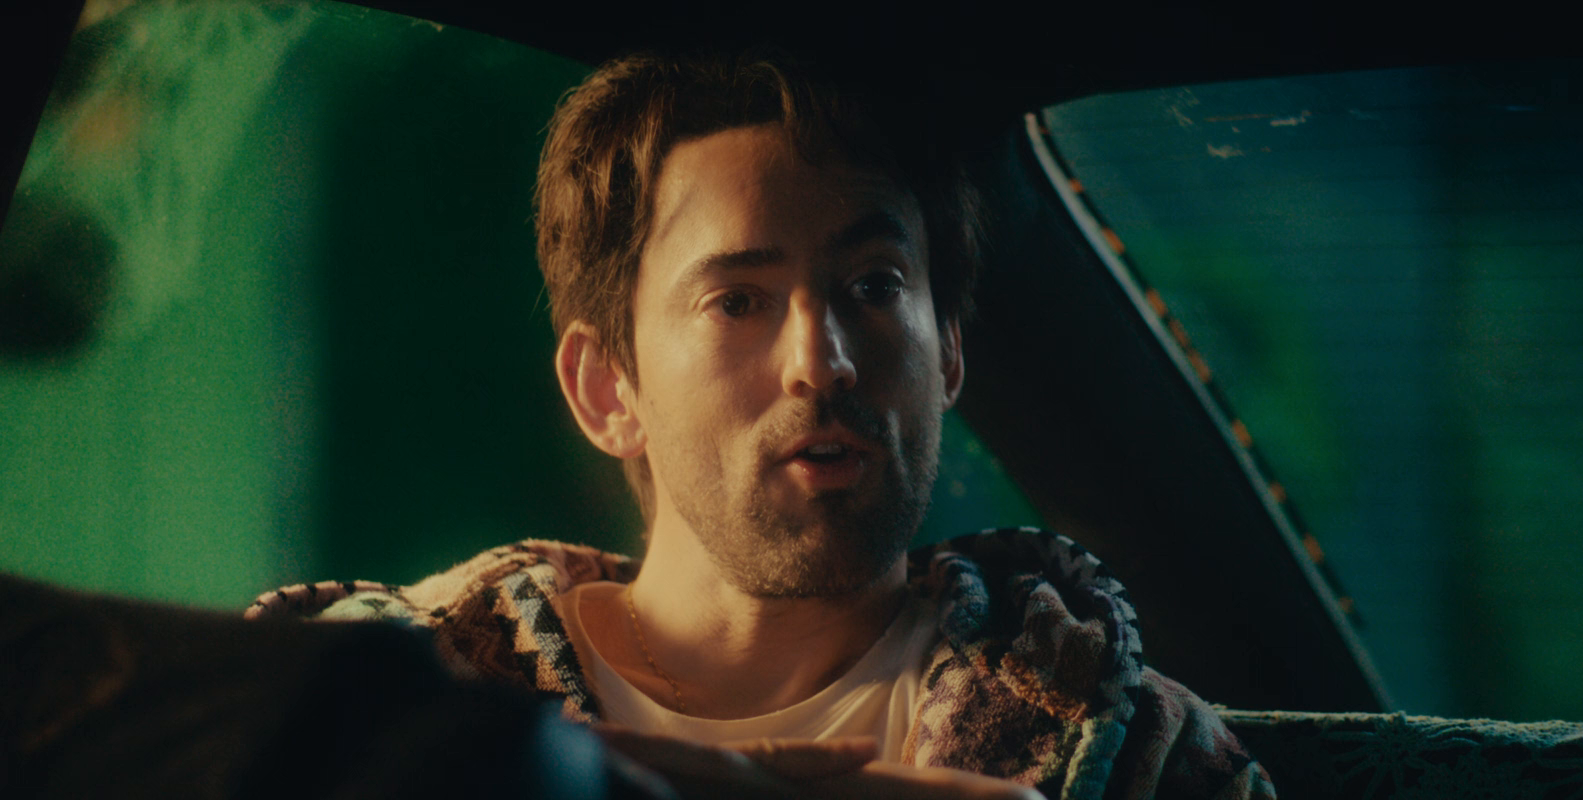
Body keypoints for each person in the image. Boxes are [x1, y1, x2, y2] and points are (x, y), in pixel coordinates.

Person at [249, 51, 1274, 799]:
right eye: (737, 300)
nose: (819, 362)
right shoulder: (389, 706)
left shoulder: (1140, 753)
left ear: (950, 354)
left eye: (874, 285)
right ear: (607, 389)